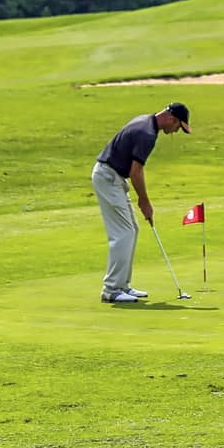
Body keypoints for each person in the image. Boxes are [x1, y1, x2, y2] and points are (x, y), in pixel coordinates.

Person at [91, 102, 191, 304]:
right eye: (178, 127)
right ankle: (111, 290)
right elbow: (136, 172)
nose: (175, 132)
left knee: (132, 229)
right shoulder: (147, 134)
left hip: (114, 177)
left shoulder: (145, 120)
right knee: (124, 233)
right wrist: (144, 201)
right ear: (172, 119)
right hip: (109, 177)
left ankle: (122, 285)